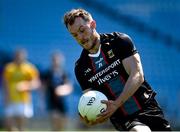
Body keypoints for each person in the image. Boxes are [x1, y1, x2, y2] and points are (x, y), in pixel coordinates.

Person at [63, 8, 171, 131]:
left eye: (82, 30)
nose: (80, 37)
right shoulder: (81, 68)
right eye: (75, 35)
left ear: (93, 24)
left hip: (148, 107)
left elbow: (137, 75)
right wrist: (90, 115)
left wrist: (116, 103)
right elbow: (92, 99)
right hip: (123, 118)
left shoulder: (119, 41)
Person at [2, 48, 41, 131]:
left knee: (21, 126)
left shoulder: (29, 68)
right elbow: (5, 84)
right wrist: (5, 97)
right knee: (8, 124)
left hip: (24, 100)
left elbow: (36, 83)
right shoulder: (9, 68)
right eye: (17, 56)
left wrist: (26, 85)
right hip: (10, 99)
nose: (19, 58)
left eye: (20, 56)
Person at [41, 51, 73, 131]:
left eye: (58, 60)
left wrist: (62, 90)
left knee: (62, 125)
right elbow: (43, 88)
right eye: (54, 60)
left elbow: (69, 87)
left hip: (62, 102)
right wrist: (42, 102)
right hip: (51, 101)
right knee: (54, 121)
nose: (56, 62)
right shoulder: (47, 73)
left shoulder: (64, 73)